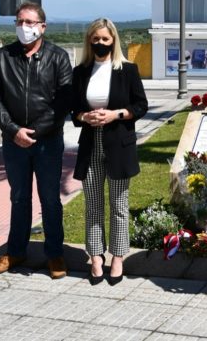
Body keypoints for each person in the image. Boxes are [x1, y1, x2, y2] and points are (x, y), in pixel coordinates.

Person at [0, 2, 73, 279]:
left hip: (47, 142)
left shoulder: (58, 57)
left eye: (30, 22)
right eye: (20, 21)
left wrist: (34, 132)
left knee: (50, 199)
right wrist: (14, 131)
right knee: (19, 197)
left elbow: (63, 102)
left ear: (43, 27)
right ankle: (15, 251)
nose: (24, 27)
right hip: (14, 142)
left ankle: (55, 254)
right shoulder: (2, 57)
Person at [70, 18, 147, 286]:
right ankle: (95, 257)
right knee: (92, 205)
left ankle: (118, 257)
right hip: (91, 143)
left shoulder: (127, 70)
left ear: (113, 40)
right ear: (89, 41)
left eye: (105, 39)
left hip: (119, 144)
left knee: (118, 205)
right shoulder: (80, 71)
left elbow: (141, 105)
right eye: (95, 39)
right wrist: (83, 116)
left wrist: (116, 114)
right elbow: (73, 111)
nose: (100, 43)